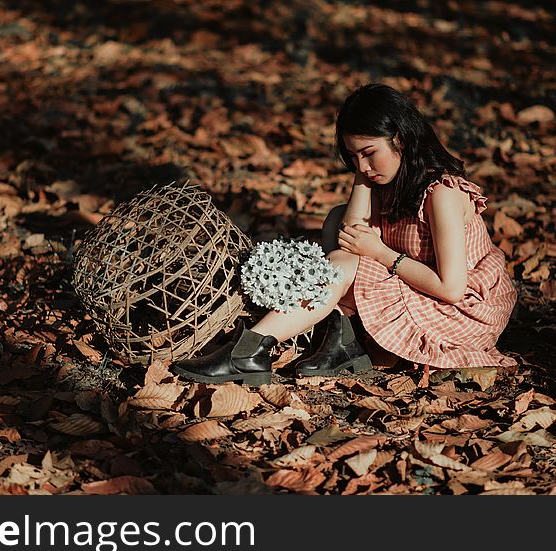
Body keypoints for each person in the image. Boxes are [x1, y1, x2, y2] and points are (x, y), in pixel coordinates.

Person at [172, 83, 517, 385]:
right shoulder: (388, 181)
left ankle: (252, 349)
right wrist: (362, 177)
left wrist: (381, 253)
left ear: (400, 139)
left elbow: (452, 289)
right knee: (338, 219)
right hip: (422, 289)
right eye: (353, 157)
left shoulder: (442, 194)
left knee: (349, 260)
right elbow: (349, 238)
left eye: (369, 154)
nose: (363, 166)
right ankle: (341, 338)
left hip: (463, 312)